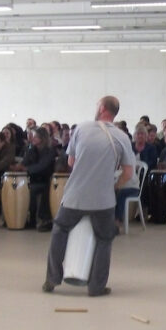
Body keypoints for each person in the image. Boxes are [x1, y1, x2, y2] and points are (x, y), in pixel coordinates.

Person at [43, 95, 134, 297]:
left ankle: (52, 279)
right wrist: (113, 186)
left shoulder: (81, 129)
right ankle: (96, 287)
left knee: (60, 231)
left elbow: (71, 162)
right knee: (104, 239)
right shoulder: (122, 137)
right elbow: (128, 173)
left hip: (76, 195)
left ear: (101, 108)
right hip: (103, 199)